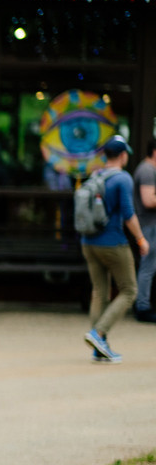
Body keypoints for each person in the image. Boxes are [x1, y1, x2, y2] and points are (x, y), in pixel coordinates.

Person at [82, 135, 149, 363]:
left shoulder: (96, 175)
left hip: (88, 242)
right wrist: (141, 239)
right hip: (112, 242)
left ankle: (98, 347)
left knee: (99, 292)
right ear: (122, 155)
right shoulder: (123, 179)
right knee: (130, 290)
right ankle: (98, 334)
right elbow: (128, 214)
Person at [130, 141, 156, 322]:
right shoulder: (147, 170)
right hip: (148, 225)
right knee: (148, 266)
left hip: (148, 225)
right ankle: (142, 306)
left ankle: (142, 303)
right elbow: (148, 200)